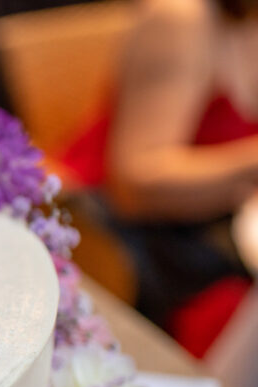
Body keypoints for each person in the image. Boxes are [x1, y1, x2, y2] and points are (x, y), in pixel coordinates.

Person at [62, 0, 258, 357]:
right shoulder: (182, 18)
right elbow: (135, 184)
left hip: (213, 238)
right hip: (143, 256)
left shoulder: (247, 22)